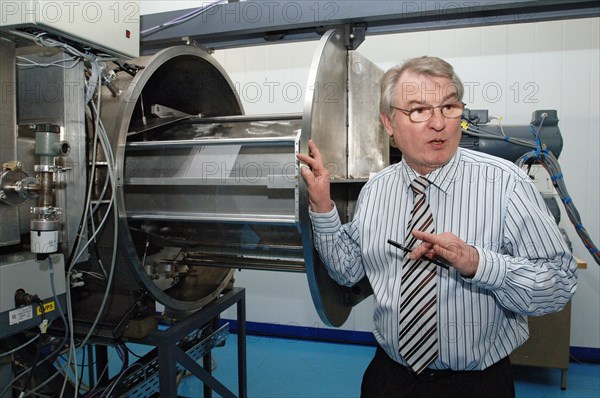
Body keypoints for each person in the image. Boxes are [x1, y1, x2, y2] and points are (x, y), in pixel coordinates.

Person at [297, 56, 578, 398]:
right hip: (391, 377)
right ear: (389, 122)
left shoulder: (507, 184)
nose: (439, 123)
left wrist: (479, 263)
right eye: (418, 110)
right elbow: (347, 271)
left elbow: (559, 284)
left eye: (449, 107)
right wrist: (323, 206)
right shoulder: (375, 190)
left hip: (476, 384)